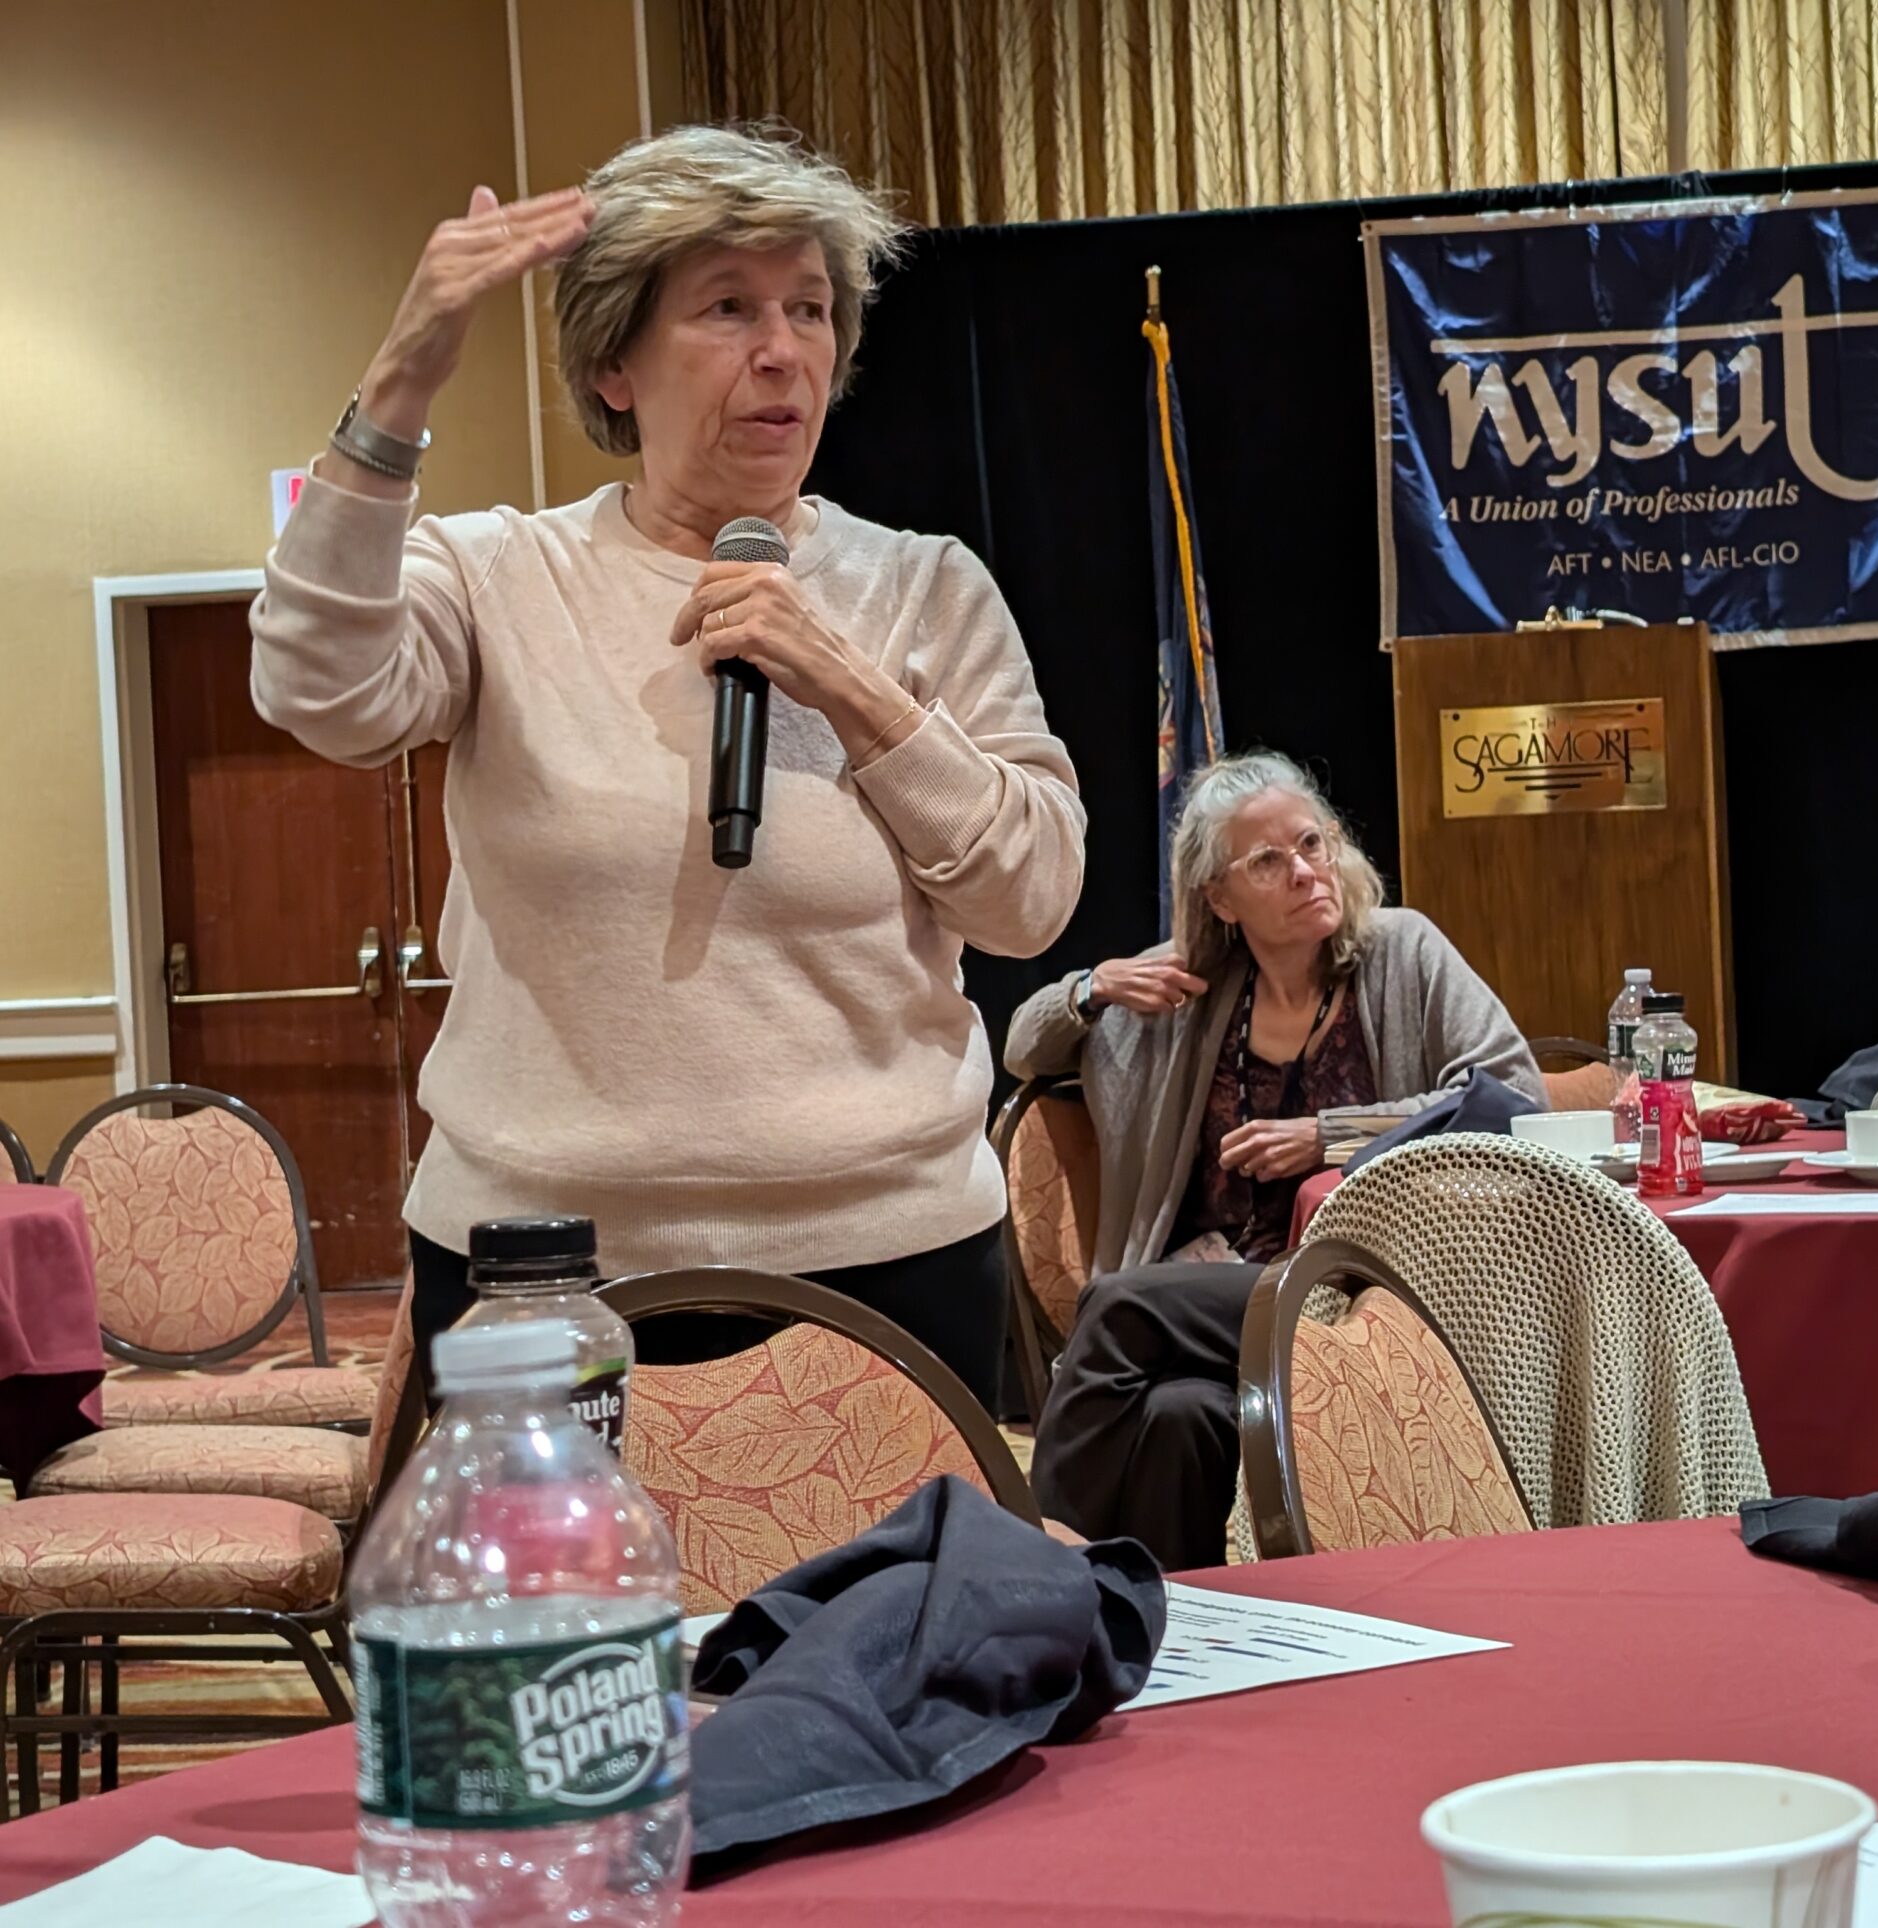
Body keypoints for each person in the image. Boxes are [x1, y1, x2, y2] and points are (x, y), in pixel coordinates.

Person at [249, 126, 1083, 1403]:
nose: (783, 349)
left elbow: (1029, 897)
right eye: (729, 307)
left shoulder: (925, 586)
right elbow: (316, 687)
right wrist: (403, 381)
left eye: (811, 308)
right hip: (535, 1268)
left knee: (884, 1612)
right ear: (613, 363)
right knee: (566, 1614)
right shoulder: (498, 574)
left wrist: (857, 690)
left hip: (889, 1258)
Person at [1005, 752, 1543, 1566]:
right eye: (1269, 861)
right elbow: (1023, 1047)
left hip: (1357, 1281)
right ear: (1219, 898)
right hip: (1223, 1296)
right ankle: (1160, 1628)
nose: (1304, 871)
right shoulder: (1194, 995)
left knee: (1117, 1307)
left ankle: (1027, 1576)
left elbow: (1510, 1092)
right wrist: (1093, 986)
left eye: (1312, 844)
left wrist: (1328, 1135)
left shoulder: (1403, 951)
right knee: (1181, 1416)